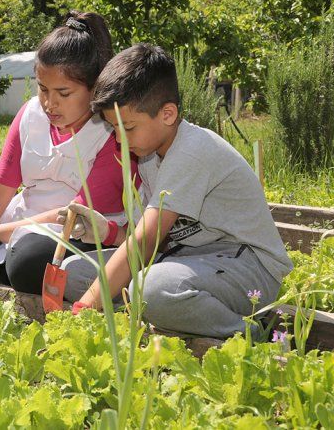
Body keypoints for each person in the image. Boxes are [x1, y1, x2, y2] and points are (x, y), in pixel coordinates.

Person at [61, 43, 293, 339]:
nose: (119, 139)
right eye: (114, 128)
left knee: (150, 288)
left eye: (128, 127)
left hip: (248, 267)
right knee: (74, 271)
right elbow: (141, 237)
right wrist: (105, 232)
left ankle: (248, 334)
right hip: (187, 259)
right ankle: (165, 315)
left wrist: (84, 309)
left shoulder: (192, 150)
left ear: (168, 114)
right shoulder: (148, 154)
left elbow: (146, 241)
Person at [0, 11, 136, 292]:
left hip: (78, 230)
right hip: (24, 218)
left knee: (27, 261)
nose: (49, 103)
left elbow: (74, 214)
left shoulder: (110, 131)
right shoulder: (30, 114)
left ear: (94, 88)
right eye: (43, 89)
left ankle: (0, 269)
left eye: (64, 93)